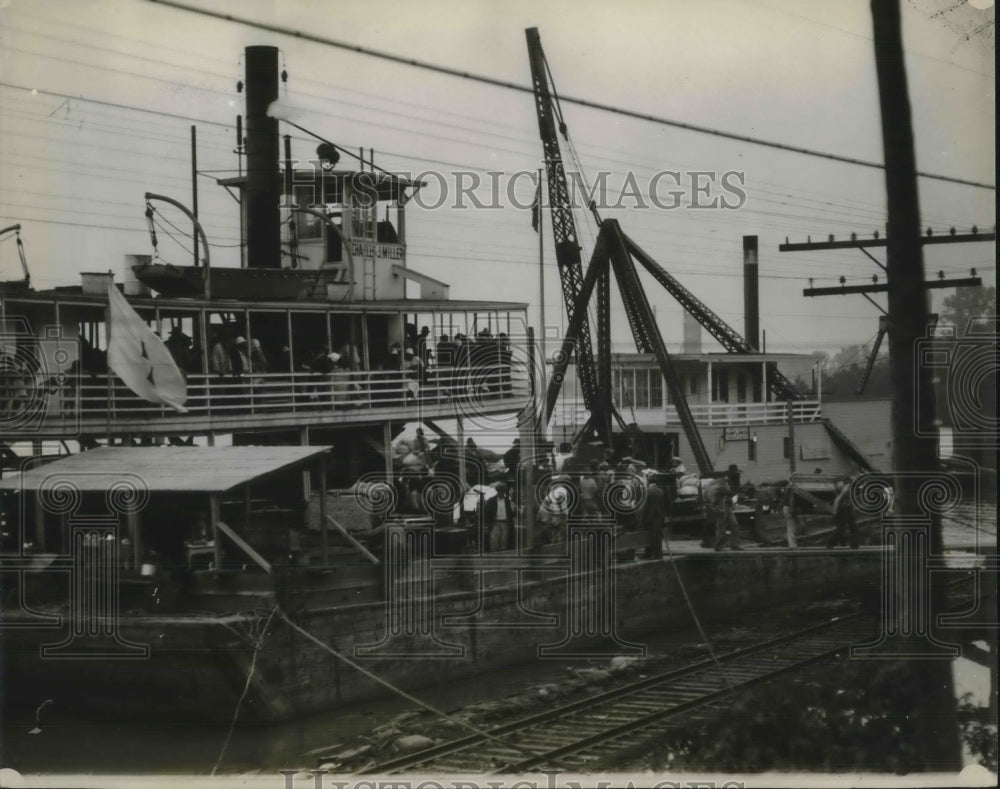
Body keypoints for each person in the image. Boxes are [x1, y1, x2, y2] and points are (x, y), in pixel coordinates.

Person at [706, 477, 741, 551]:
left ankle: (735, 545)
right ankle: (718, 546)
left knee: (734, 524)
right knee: (721, 526)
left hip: (726, 506)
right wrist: (737, 492)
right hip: (720, 506)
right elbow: (727, 492)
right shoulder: (721, 485)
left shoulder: (721, 485)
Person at [640, 473, 667, 559]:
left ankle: (651, 555)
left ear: (648, 482)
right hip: (658, 517)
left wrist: (641, 520)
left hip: (649, 518)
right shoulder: (661, 491)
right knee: (657, 537)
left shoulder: (647, 491)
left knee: (648, 537)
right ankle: (657, 554)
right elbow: (664, 506)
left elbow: (644, 507)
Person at [827, 477, 859, 549]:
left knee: (849, 528)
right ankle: (830, 543)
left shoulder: (845, 489)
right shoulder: (846, 489)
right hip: (844, 509)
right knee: (845, 529)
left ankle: (854, 545)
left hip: (846, 508)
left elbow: (838, 501)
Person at [485, 481, 513, 551]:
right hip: (495, 523)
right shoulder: (491, 500)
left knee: (504, 542)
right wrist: (488, 523)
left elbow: (510, 512)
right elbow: (486, 512)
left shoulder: (507, 501)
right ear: (497, 491)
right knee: (494, 542)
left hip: (505, 523)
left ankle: (503, 557)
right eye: (501, 491)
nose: (502, 492)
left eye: (503, 491)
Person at [782, 482, 802, 549]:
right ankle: (792, 546)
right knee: (791, 527)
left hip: (787, 507)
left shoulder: (789, 486)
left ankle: (792, 544)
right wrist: (792, 511)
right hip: (789, 508)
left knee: (791, 527)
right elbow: (791, 500)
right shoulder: (792, 487)